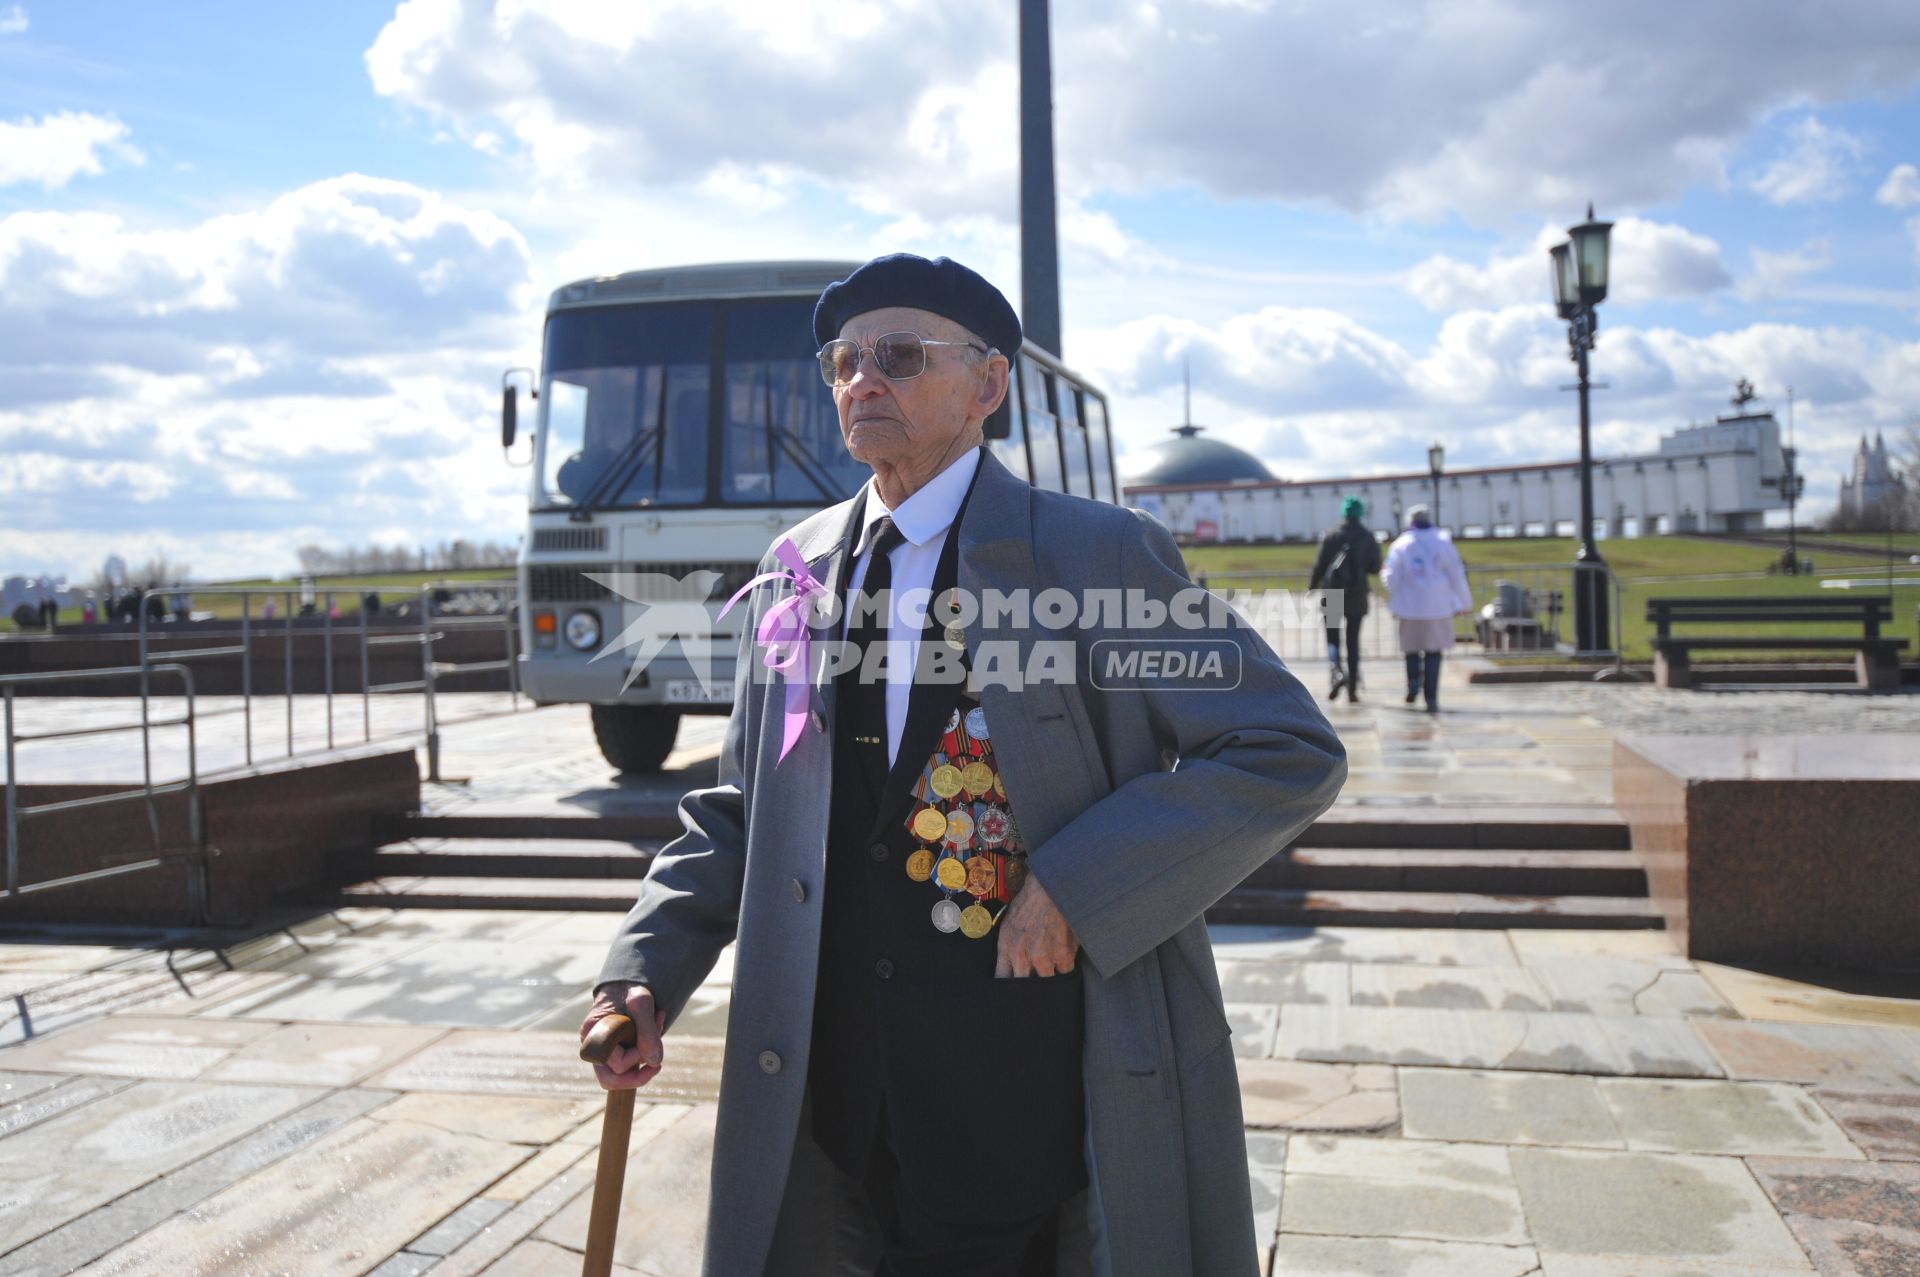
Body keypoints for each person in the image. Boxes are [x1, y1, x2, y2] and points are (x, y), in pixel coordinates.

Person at [582, 253, 1347, 1277]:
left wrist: (1081, 883)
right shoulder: (795, 568)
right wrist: (642, 969)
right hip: (835, 1091)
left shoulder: (1095, 557)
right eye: (844, 361)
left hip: (1020, 1090)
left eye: (899, 355)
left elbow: (1284, 748)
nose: (862, 380)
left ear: (988, 386)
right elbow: (739, 809)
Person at [1381, 505, 1472, 713]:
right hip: (1437, 606)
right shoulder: (1442, 541)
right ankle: (1431, 696)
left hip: (1409, 605)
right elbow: (1457, 573)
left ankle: (1413, 685)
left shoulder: (1401, 544)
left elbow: (1390, 577)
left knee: (1411, 649)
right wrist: (1465, 602)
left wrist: (1393, 591)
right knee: (1433, 652)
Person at [1307, 496, 1381, 703]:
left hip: (1332, 593)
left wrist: (1311, 586)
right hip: (1356, 594)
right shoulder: (1366, 536)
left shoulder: (1331, 535)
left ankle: (1336, 673)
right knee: (1353, 641)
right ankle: (1352, 688)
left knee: (1332, 640)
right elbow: (1375, 567)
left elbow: (1319, 565)